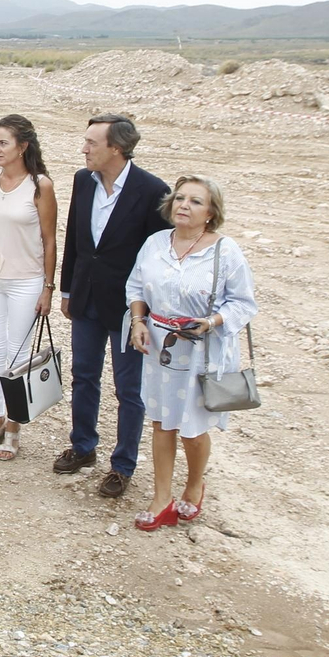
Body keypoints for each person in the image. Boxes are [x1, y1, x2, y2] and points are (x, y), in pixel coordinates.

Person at [127, 176, 257, 530]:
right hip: (160, 347)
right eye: (180, 198)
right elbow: (136, 285)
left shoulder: (225, 251)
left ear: (211, 212)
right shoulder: (155, 243)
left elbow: (244, 303)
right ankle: (161, 498)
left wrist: (212, 321)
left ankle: (195, 484)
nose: (184, 205)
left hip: (204, 351)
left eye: (195, 201)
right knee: (160, 422)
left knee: (193, 429)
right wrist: (138, 321)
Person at [55, 113, 172, 498]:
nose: (83, 148)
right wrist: (67, 289)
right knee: (83, 376)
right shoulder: (81, 180)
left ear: (116, 149)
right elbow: (74, 237)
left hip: (129, 310)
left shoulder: (152, 190)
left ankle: (122, 466)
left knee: (129, 390)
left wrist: (149, 313)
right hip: (86, 300)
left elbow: (160, 258)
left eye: (91, 143)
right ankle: (84, 446)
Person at [0, 114, 58, 462]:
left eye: (2, 143)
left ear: (22, 146)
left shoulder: (41, 185)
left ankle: (14, 424)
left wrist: (49, 287)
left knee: (17, 354)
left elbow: (50, 239)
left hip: (27, 279)